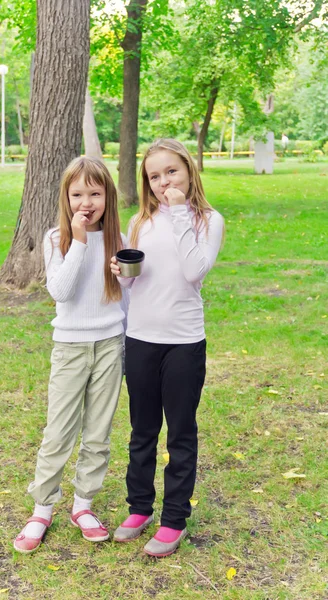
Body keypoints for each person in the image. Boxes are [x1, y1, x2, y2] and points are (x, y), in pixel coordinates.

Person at [110, 139, 224, 557]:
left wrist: (178, 213)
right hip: (140, 339)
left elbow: (194, 271)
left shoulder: (208, 220)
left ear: (189, 171)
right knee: (141, 432)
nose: (163, 182)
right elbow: (132, 282)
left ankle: (174, 518)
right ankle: (139, 507)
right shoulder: (140, 221)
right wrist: (120, 274)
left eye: (170, 172)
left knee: (180, 434)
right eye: (154, 176)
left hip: (183, 343)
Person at [14, 156, 128, 554]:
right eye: (77, 193)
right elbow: (60, 291)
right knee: (59, 430)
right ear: (66, 197)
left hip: (111, 346)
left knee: (98, 431)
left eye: (94, 193)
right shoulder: (55, 239)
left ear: (107, 197)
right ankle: (42, 507)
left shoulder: (119, 239)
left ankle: (84, 505)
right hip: (70, 348)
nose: (86, 202)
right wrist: (79, 241)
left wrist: (129, 277)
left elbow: (126, 298)